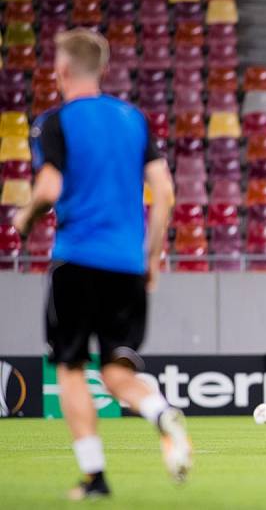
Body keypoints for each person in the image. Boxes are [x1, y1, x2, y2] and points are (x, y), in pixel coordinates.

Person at [12, 29, 191, 499]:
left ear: (63, 70)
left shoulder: (55, 122)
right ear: (103, 69)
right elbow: (166, 193)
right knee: (117, 373)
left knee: (70, 370)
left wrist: (25, 217)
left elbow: (49, 189)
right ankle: (159, 411)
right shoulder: (134, 120)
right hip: (127, 266)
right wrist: (151, 258)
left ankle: (95, 477)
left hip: (78, 260)